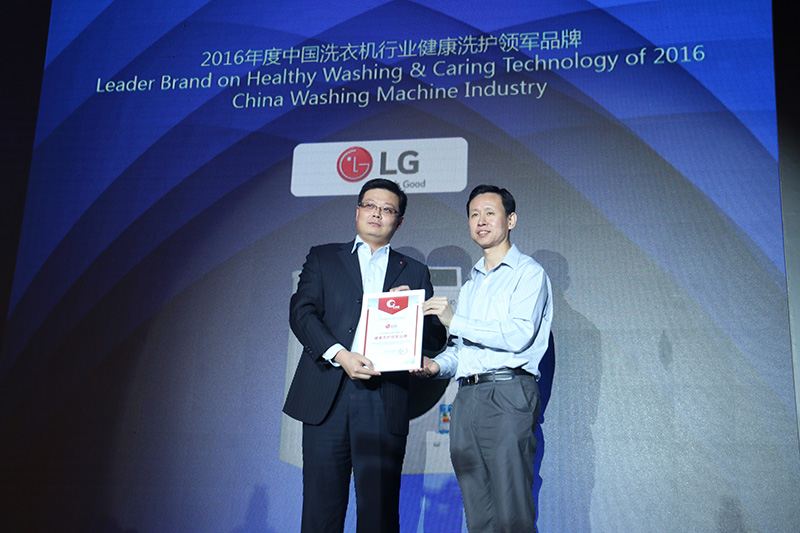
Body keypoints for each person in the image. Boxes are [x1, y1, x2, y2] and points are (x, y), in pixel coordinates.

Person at [283, 178, 447, 533]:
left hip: (383, 398)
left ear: (398, 222)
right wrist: (340, 354)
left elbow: (434, 340)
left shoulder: (414, 271)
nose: (377, 213)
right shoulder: (323, 257)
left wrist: (416, 311)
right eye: (370, 205)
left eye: (387, 209)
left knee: (379, 513)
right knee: (320, 511)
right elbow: (302, 313)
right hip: (327, 394)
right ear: (357, 211)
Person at [419, 184, 553, 532]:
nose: (481, 221)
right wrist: (436, 365)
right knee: (477, 510)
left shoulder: (529, 273)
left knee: (511, 509)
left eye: (490, 213)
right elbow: (462, 350)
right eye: (474, 214)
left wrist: (455, 321)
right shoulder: (472, 285)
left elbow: (519, 335)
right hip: (467, 398)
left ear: (511, 220)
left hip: (508, 393)